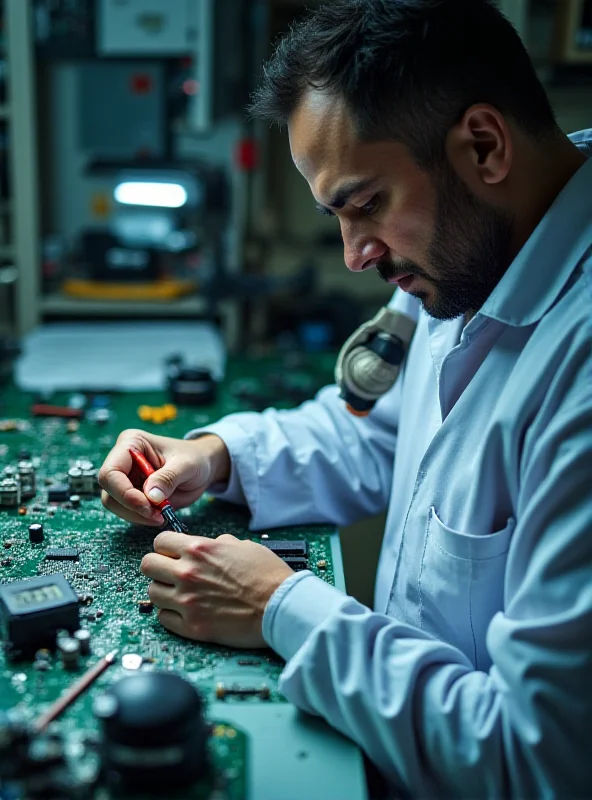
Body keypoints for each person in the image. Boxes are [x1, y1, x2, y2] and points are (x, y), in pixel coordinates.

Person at [99, 0, 592, 796]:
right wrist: (216, 455)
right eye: (335, 216)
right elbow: (376, 432)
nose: (355, 254)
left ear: (484, 145)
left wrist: (282, 608)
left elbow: (540, 757)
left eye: (366, 205)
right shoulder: (473, 256)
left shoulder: (578, 370)